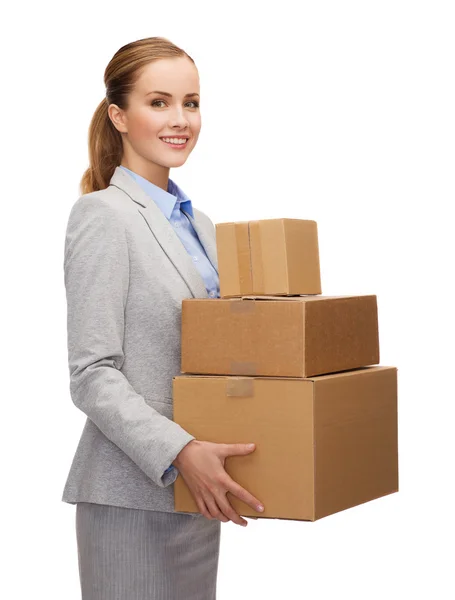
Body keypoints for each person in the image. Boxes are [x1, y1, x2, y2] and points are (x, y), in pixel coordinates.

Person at [61, 36, 265, 599]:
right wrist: (179, 450)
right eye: (159, 102)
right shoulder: (102, 215)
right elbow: (92, 373)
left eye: (191, 103)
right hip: (134, 493)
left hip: (199, 496)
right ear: (118, 115)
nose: (181, 120)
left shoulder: (199, 223)